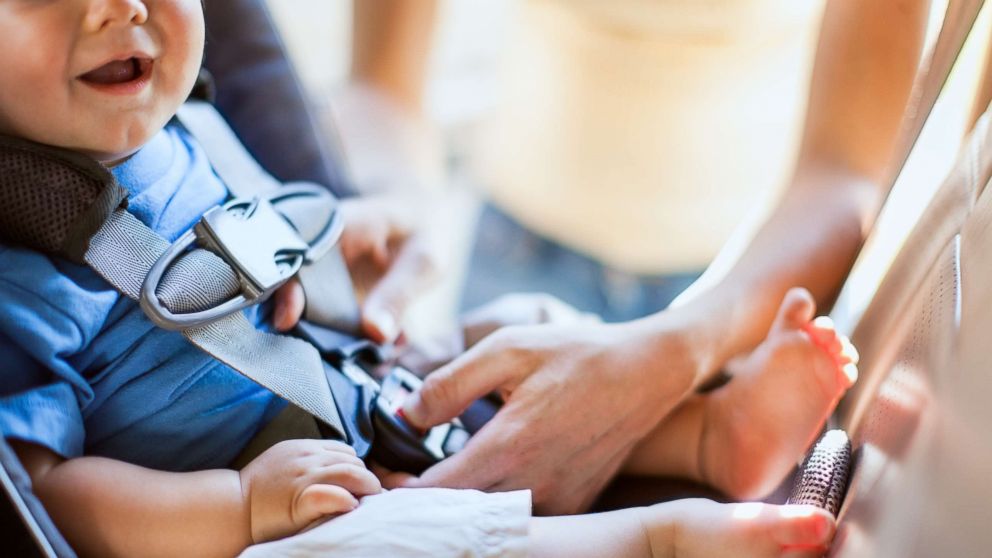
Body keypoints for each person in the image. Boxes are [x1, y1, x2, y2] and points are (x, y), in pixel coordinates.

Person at [0, 0, 844, 556]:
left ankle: (705, 434)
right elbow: (48, 495)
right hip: (263, 513)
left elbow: (266, 232)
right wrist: (241, 504)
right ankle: (658, 541)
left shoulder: (194, 126)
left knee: (512, 328)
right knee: (391, 544)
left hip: (355, 389)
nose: (122, 8)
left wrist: (333, 237)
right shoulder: (18, 268)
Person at [353, 0, 931, 513]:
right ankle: (714, 434)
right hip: (517, 259)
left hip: (748, 295)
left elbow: (846, 174)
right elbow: (381, 88)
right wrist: (392, 204)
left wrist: (679, 346)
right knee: (463, 437)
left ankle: (716, 431)